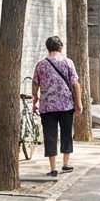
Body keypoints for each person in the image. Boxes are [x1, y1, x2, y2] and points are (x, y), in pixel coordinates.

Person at [31, 36, 83, 178]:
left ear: (48, 48)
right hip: (66, 105)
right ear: (61, 47)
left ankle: (53, 168)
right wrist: (78, 103)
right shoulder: (68, 62)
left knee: (50, 136)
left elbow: (35, 83)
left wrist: (35, 99)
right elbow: (75, 83)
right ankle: (65, 164)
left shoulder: (41, 64)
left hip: (47, 107)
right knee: (66, 134)